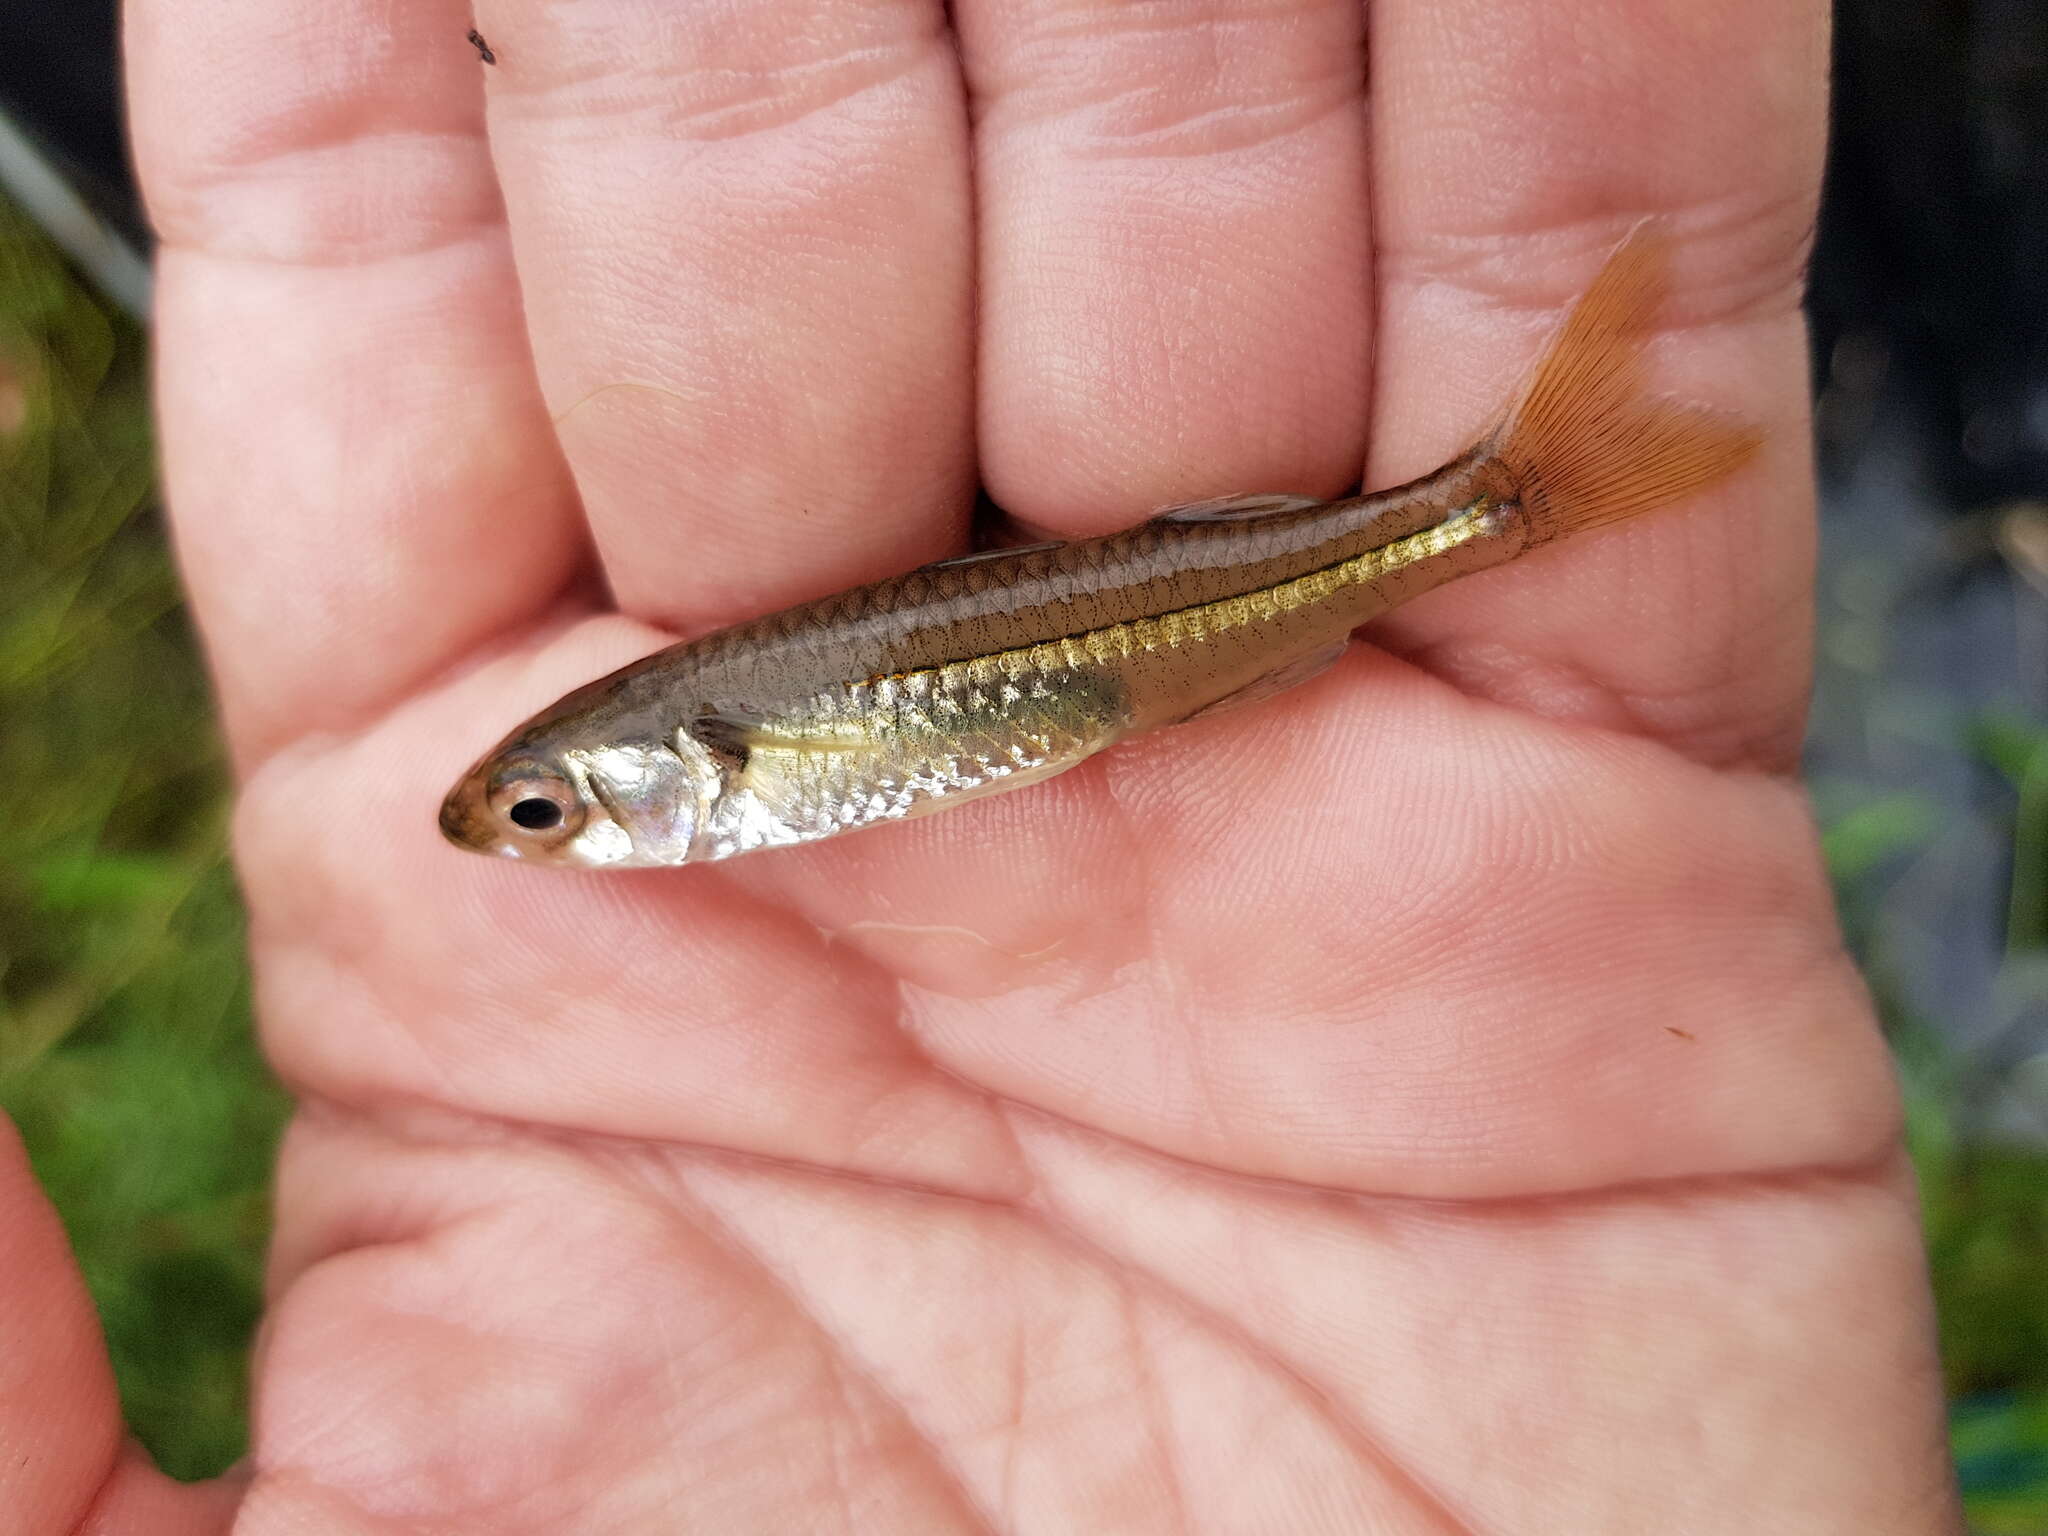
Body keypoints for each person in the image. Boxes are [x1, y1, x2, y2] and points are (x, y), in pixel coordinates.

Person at [5, 0, 1965, 1529]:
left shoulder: (736, 740)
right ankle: (1499, 503)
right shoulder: (720, 741)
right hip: (1157, 635)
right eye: (537, 816)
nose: (543, 839)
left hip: (1176, 617)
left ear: (678, 766)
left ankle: (1502, 504)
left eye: (545, 814)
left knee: (1412, 514)